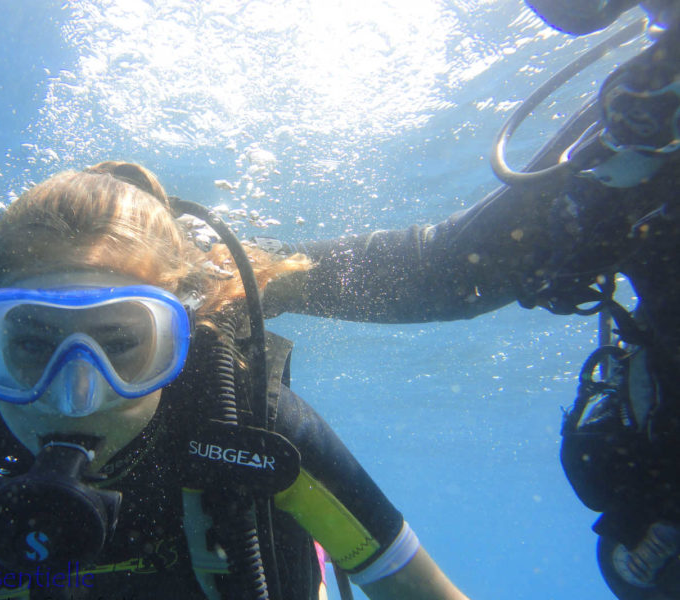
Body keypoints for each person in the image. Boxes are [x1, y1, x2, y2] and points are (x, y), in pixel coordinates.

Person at [0, 162, 472, 600]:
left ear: (178, 339)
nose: (77, 397)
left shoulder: (258, 434)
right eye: (31, 344)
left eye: (121, 344)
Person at [260, 3, 680, 598]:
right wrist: (256, 272)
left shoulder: (651, 117)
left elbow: (455, 268)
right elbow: (459, 267)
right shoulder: (648, 120)